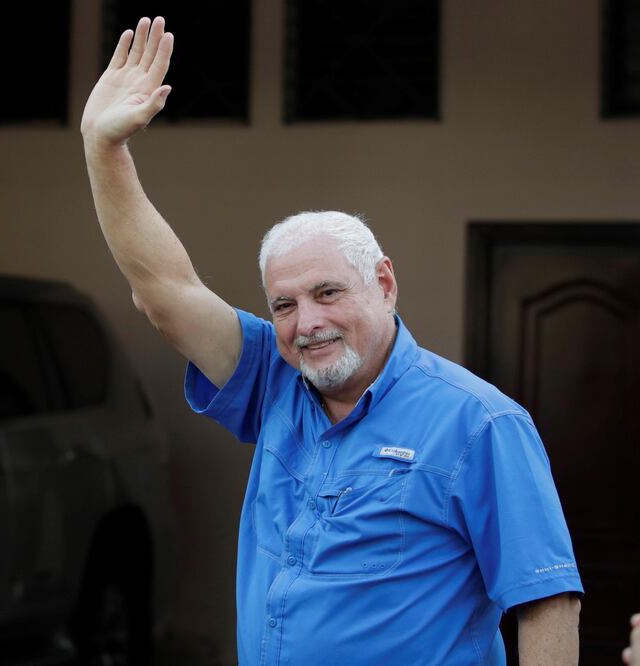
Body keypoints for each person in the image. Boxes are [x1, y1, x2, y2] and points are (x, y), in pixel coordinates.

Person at [81, 17, 583, 664]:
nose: (305, 323)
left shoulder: (478, 423)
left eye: (327, 294)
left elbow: (545, 603)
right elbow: (163, 292)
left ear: (384, 283)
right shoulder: (274, 379)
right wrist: (103, 148)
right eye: (282, 305)